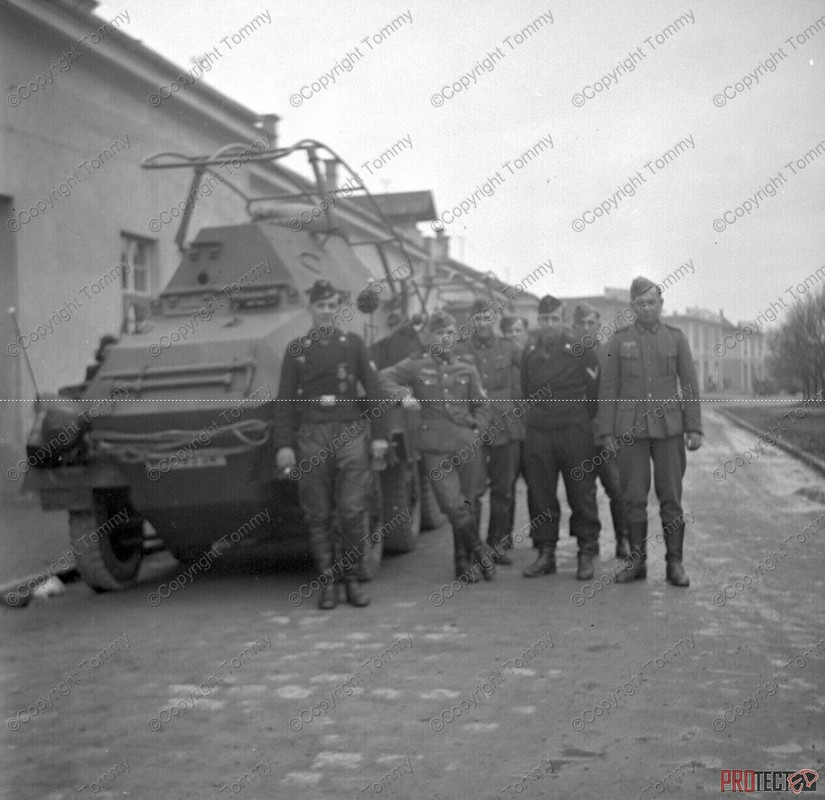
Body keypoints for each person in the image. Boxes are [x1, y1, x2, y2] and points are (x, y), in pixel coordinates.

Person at [273, 280, 389, 609]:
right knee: (318, 513)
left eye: (332, 306)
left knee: (352, 510)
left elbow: (375, 392)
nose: (326, 312)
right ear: (310, 309)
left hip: (350, 432)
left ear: (339, 309)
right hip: (312, 434)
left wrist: (379, 436)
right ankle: (327, 582)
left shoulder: (352, 345)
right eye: (320, 306)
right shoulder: (296, 349)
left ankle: (352, 578)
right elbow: (283, 401)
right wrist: (284, 445)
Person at [595, 276, 702, 587]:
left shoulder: (676, 338)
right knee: (632, 498)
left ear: (661, 304)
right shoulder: (618, 340)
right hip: (631, 432)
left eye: (651, 302)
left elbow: (690, 385)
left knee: (671, 499)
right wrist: (606, 433)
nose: (646, 308)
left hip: (669, 430)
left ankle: (675, 564)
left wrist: (694, 427)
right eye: (640, 304)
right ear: (632, 307)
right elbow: (608, 389)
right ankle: (636, 562)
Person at [379, 311, 495, 582]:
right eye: (440, 334)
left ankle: (462, 563)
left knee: (469, 501)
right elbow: (383, 377)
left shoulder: (467, 367)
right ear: (430, 337)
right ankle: (479, 550)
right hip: (434, 446)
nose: (445, 338)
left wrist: (477, 428)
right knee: (454, 505)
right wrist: (404, 395)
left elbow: (482, 405)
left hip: (466, 442)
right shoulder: (416, 365)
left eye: (450, 333)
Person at [521, 295, 601, 581]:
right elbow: (525, 390)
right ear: (538, 321)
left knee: (581, 492)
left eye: (555, 319)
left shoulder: (580, 347)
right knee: (540, 493)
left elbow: (594, 390)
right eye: (545, 320)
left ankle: (586, 551)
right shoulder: (529, 350)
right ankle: (546, 553)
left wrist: (579, 417)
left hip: (573, 428)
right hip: (540, 428)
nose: (550, 325)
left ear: (563, 320)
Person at [456, 300, 522, 565]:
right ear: (471, 320)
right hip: (471, 426)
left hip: (505, 426)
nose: (482, 323)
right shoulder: (459, 349)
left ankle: (497, 544)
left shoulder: (510, 347)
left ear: (494, 318)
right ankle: (473, 547)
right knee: (471, 491)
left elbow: (528, 378)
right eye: (477, 318)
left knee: (503, 489)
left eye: (487, 317)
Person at [572, 303, 629, 559]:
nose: (586, 328)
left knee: (617, 489)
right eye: (581, 323)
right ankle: (589, 545)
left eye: (591, 322)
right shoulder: (569, 355)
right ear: (575, 326)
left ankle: (623, 540)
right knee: (584, 493)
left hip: (606, 433)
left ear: (598, 325)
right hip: (579, 434)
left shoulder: (608, 353)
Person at [499, 315, 530, 551]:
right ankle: (504, 536)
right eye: (509, 332)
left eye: (518, 330)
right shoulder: (502, 363)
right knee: (505, 485)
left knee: (537, 485)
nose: (514, 335)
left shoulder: (532, 359)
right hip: (509, 430)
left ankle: (540, 536)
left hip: (532, 431)